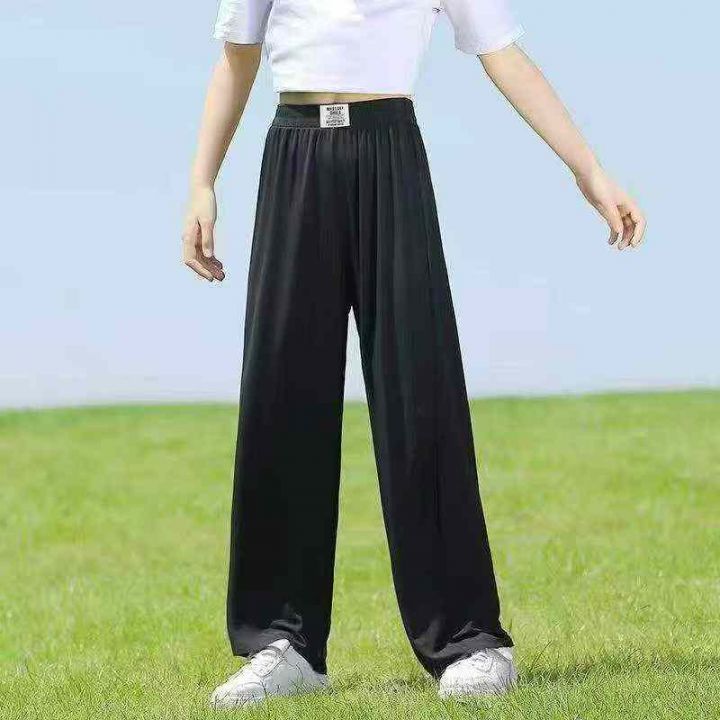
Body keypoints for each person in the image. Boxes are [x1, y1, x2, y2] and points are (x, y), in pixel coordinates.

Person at [182, 0, 646, 709]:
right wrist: (202, 182)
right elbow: (237, 56)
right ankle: (283, 644)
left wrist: (589, 169)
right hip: (294, 155)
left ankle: (468, 639)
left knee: (418, 391)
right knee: (281, 398)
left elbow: (504, 55)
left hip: (389, 151)